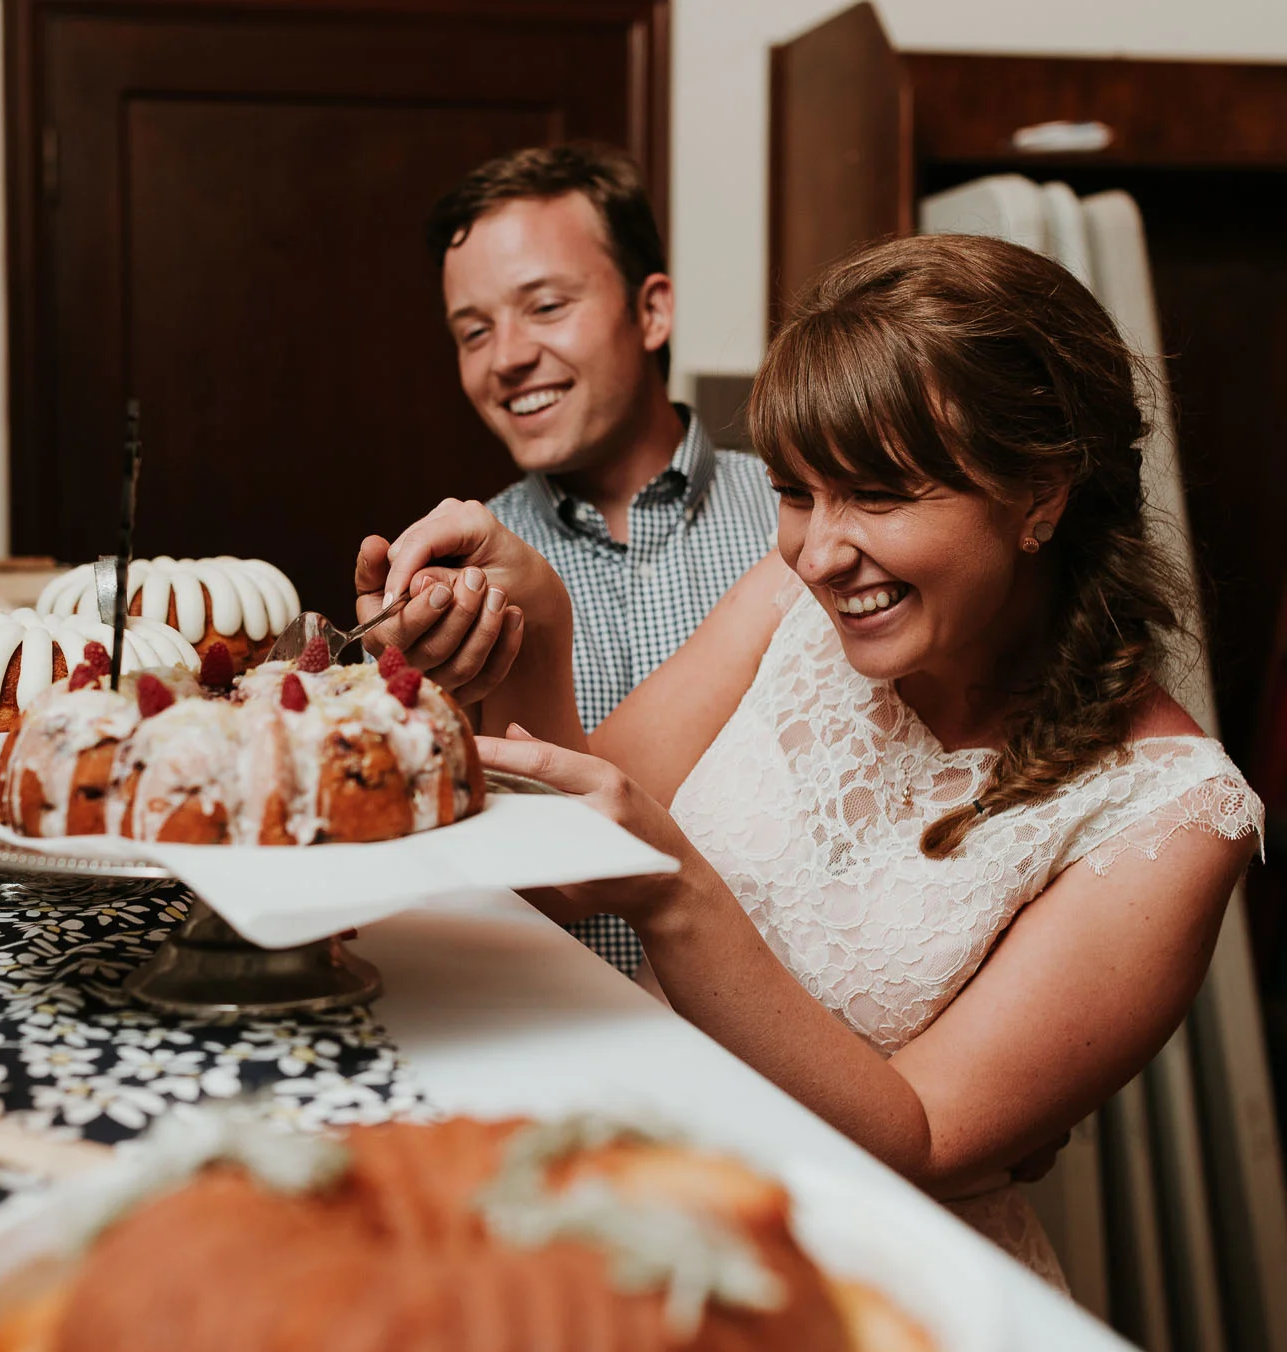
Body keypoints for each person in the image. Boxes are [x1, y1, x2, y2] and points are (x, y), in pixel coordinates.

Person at [360, 233, 1262, 1283]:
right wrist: (536, 624)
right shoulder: (790, 595)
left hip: (856, 1280)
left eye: (877, 495)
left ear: (1040, 495)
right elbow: (563, 871)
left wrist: (674, 896)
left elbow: (917, 1137)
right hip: (633, 1204)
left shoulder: (1172, 813)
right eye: (795, 492)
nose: (819, 552)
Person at [357, 144, 776, 976]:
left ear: (651, 311)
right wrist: (409, 701)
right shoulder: (453, 585)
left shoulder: (800, 522)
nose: (505, 356)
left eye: (545, 306)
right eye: (473, 331)